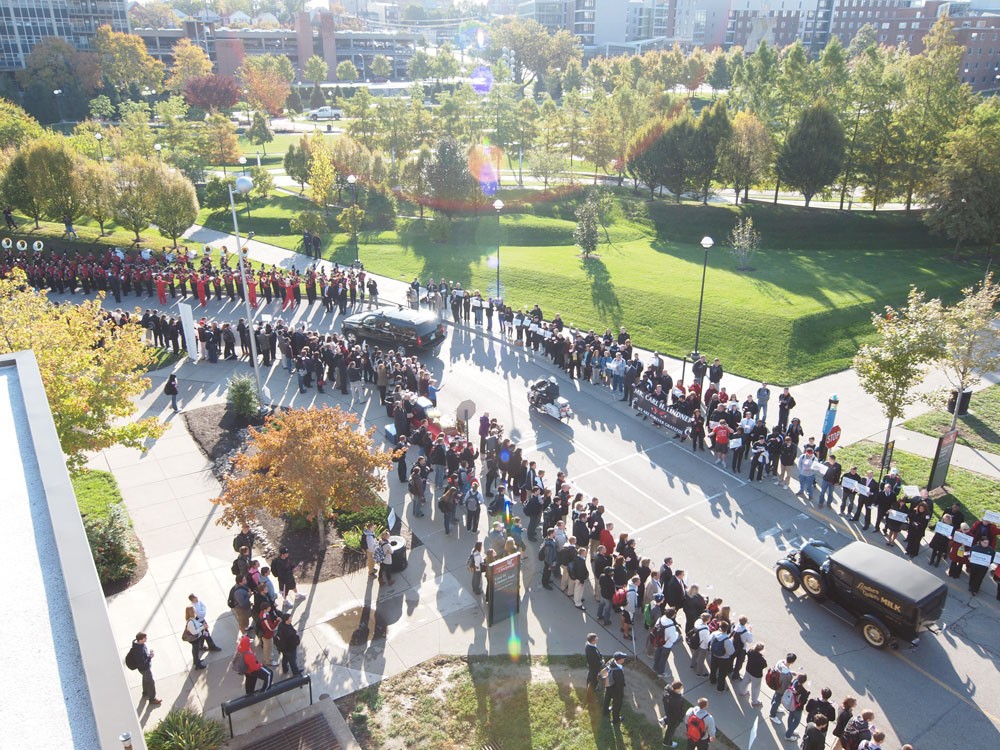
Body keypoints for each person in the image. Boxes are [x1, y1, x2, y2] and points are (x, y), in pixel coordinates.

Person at [127, 632, 162, 705]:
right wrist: (150, 657)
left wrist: (148, 655)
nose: (146, 639)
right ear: (140, 640)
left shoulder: (140, 645)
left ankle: (145, 693)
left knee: (145, 680)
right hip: (144, 669)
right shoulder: (138, 650)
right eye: (145, 638)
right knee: (151, 682)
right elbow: (142, 663)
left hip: (144, 669)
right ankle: (152, 699)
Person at [768, 652, 798, 721]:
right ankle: (772, 715)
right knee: (777, 701)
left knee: (775, 696)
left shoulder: (780, 662)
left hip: (775, 683)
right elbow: (786, 685)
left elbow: (783, 670)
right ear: (793, 662)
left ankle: (774, 705)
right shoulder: (787, 675)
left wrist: (790, 672)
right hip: (781, 688)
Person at [707, 621, 735, 692]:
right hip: (724, 659)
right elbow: (731, 652)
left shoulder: (714, 634)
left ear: (720, 627)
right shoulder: (728, 640)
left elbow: (709, 641)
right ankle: (720, 688)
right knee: (722, 673)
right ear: (727, 629)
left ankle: (712, 680)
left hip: (714, 655)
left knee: (713, 669)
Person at [782, 672, 810, 742]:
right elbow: (803, 702)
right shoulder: (804, 691)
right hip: (797, 708)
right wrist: (808, 694)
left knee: (791, 716)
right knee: (796, 721)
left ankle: (790, 729)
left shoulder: (795, 682)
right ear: (804, 681)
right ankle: (788, 735)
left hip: (791, 704)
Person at [737, 641, 766, 707]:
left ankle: (742, 692)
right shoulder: (761, 659)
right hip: (756, 675)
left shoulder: (750, 651)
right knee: (755, 687)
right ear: (761, 650)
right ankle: (754, 701)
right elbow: (764, 665)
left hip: (748, 670)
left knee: (745, 681)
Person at [274, 611, 302, 676]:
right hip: (290, 649)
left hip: (284, 648)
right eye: (290, 619)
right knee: (293, 661)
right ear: (286, 621)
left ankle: (285, 669)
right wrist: (297, 636)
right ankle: (296, 673)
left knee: (285, 658)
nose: (291, 620)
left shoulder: (282, 625)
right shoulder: (288, 632)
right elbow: (294, 642)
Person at [602, 651, 627, 724]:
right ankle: (616, 719)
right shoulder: (618, 671)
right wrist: (621, 693)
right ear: (619, 660)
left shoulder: (611, 662)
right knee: (617, 704)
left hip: (608, 685)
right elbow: (620, 684)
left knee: (607, 699)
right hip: (616, 690)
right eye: (623, 658)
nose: (624, 659)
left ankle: (605, 711)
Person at [661, 680, 686, 748]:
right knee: (671, 730)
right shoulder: (677, 700)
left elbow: (667, 687)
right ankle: (666, 742)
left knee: (669, 716)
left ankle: (664, 720)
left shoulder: (667, 689)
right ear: (677, 689)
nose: (682, 689)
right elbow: (677, 713)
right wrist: (680, 719)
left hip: (669, 711)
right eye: (681, 688)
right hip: (674, 718)